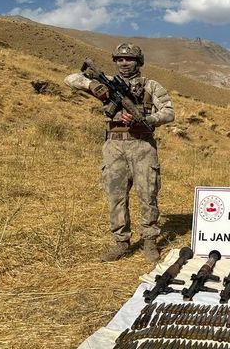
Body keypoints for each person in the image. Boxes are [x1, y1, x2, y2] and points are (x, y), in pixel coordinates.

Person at [64, 43, 175, 263]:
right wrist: (92, 85)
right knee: (115, 196)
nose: (124, 63)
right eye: (120, 59)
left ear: (139, 62)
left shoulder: (151, 86)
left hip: (142, 145)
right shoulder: (106, 82)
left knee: (148, 195)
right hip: (114, 146)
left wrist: (148, 119)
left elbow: (169, 113)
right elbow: (70, 79)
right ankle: (121, 243)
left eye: (130, 59)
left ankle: (150, 241)